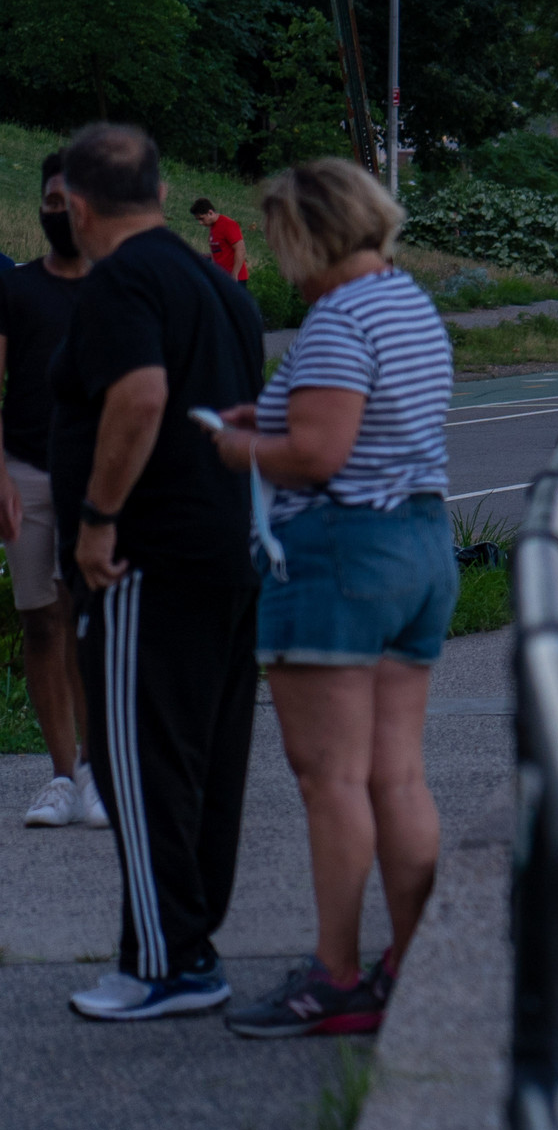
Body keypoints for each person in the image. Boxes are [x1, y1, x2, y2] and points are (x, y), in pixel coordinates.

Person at [208, 160, 455, 1037]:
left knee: (332, 777)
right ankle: (411, 963)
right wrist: (274, 423)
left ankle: (335, 973)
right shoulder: (408, 304)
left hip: (339, 555)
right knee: (397, 772)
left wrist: (240, 450)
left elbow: (319, 454)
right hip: (419, 542)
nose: (281, 264)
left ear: (307, 236)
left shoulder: (339, 318)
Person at [54, 123, 267, 1023]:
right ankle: (191, 939)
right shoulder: (217, 286)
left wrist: (99, 518)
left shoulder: (120, 281)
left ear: (75, 204)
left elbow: (140, 396)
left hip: (146, 556)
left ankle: (163, 960)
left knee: (140, 763)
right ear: (165, 191)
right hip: (226, 548)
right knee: (206, 763)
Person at [5, 153, 102, 831]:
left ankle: (97, 770)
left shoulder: (117, 287)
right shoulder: (15, 288)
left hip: (99, 478)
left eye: (71, 202)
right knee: (41, 618)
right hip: (27, 470)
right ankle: (62, 774)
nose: (59, 213)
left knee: (90, 620)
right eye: (50, 201)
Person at [190, 196, 248, 282]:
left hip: (234, 278)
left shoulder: (228, 224)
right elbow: (219, 252)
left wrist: (235, 274)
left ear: (210, 213)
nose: (200, 222)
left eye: (202, 218)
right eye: (198, 219)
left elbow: (241, 249)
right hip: (221, 277)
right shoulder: (213, 227)